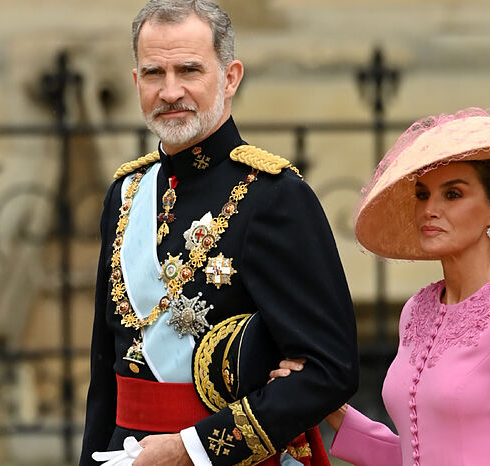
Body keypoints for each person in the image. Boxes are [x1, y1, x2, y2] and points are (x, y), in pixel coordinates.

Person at [79, 1, 359, 465]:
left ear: (229, 77)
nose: (170, 92)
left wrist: (191, 449)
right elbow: (104, 370)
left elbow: (330, 370)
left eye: (189, 70)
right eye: (154, 74)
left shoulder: (274, 197)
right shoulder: (126, 193)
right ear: (135, 83)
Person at [272, 108, 490, 465]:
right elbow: (413, 455)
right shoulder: (417, 310)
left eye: (453, 194)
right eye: (422, 194)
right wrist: (332, 411)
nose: (430, 209)